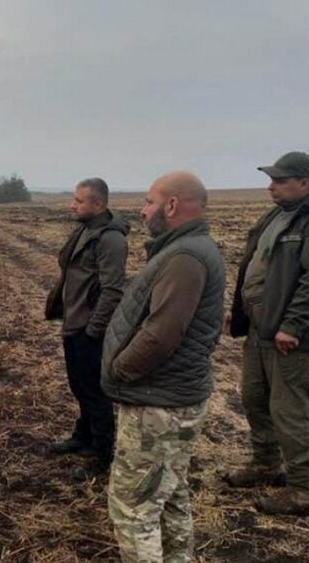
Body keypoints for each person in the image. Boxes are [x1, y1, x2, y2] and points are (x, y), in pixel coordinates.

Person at [101, 171, 225, 562]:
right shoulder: (186, 250)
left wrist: (119, 370)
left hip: (159, 404)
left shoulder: (185, 257)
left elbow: (161, 334)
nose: (142, 210)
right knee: (169, 495)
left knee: (133, 506)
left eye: (149, 201)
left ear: (171, 205)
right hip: (171, 398)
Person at [222, 151, 309, 515]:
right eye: (271, 179)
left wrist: (292, 326)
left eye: (280, 180)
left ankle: (304, 489)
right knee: (254, 398)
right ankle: (265, 464)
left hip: (290, 335)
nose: (271, 186)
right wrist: (240, 311)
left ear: (304, 183)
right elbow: (255, 268)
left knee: (289, 409)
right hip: (260, 329)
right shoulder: (276, 216)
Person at [44, 177, 128, 481]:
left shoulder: (110, 239)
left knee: (94, 390)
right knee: (79, 385)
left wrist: (94, 330)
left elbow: (113, 290)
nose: (72, 205)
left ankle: (103, 453)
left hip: (89, 328)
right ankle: (84, 436)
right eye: (74, 199)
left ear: (99, 204)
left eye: (79, 201)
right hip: (74, 322)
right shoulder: (85, 229)